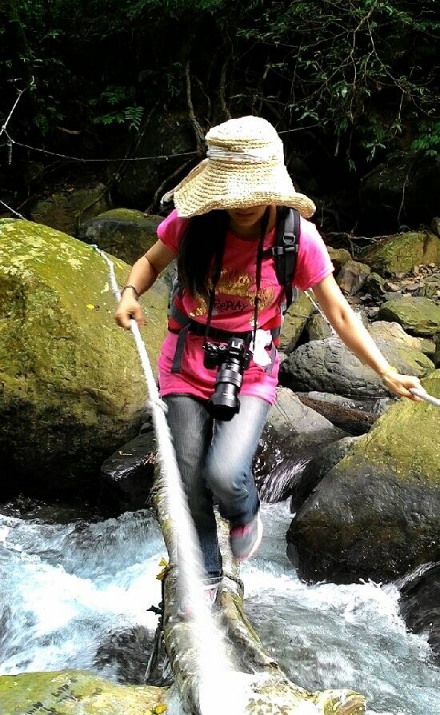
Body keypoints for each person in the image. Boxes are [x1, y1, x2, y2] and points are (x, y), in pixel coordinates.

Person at [115, 115, 421, 599]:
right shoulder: (193, 225)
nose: (244, 204)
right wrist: (132, 292)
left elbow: (338, 312)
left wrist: (385, 372)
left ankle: (244, 511)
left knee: (224, 472)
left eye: (253, 192)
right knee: (189, 475)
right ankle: (209, 578)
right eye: (233, 194)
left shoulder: (295, 238)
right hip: (186, 360)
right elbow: (151, 261)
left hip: (252, 366)